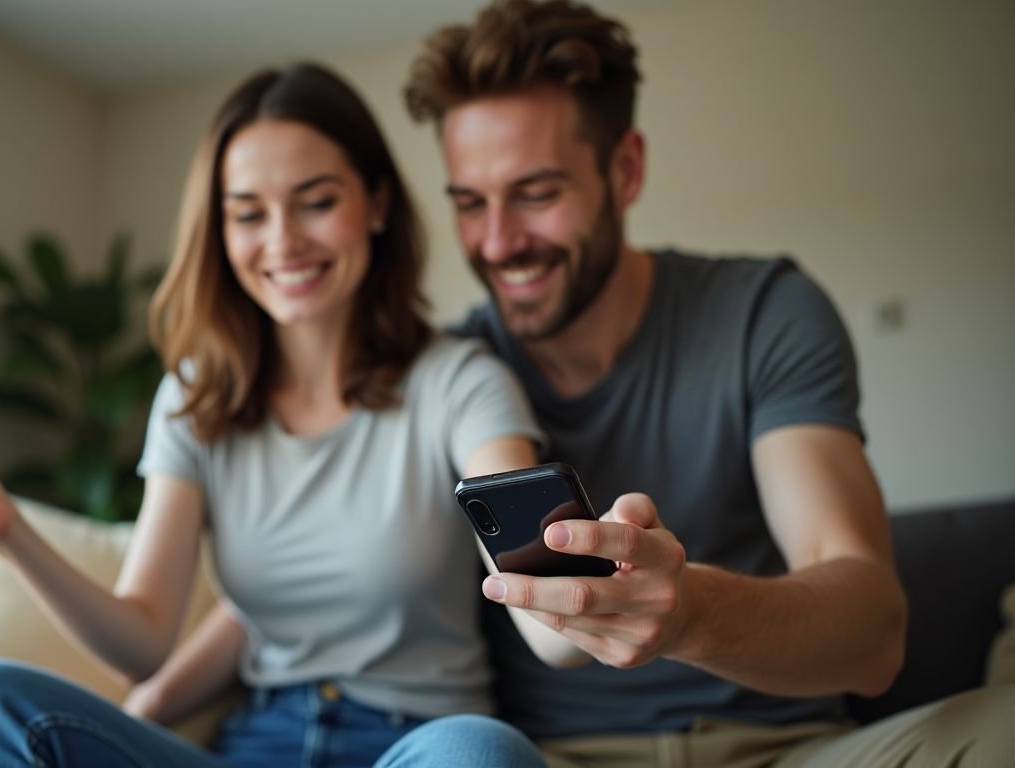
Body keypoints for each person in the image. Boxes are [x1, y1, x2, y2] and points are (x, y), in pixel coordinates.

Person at [138, 1, 1015, 765]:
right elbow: (322, 593)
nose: (499, 241)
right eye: (470, 202)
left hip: (798, 749)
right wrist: (139, 707)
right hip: (554, 760)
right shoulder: (449, 378)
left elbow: (871, 629)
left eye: (537, 192)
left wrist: (685, 614)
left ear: (624, 170)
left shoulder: (762, 313)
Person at [0, 62, 558, 768]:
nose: (282, 240)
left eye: (315, 201)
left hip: (418, 745)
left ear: (375, 204)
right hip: (258, 744)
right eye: (248, 213)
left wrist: (581, 589)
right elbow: (144, 637)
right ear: (220, 230)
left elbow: (537, 587)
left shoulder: (461, 384)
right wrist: (3, 527)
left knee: (482, 754)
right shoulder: (193, 401)